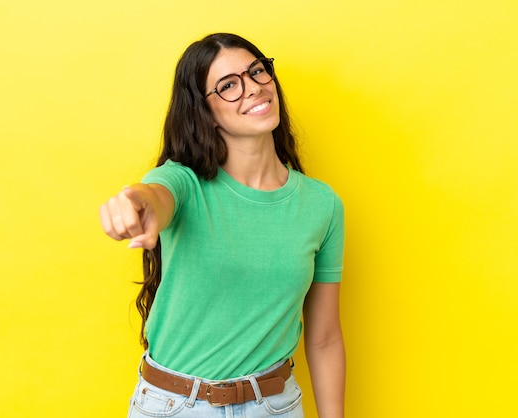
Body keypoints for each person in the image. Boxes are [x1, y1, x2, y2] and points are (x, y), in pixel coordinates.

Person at [99, 33, 345, 418]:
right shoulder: (184, 182)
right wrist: (136, 203)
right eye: (228, 85)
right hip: (174, 406)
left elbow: (326, 338)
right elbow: (156, 196)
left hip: (276, 406)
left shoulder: (321, 204)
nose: (253, 89)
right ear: (204, 111)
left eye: (257, 71)